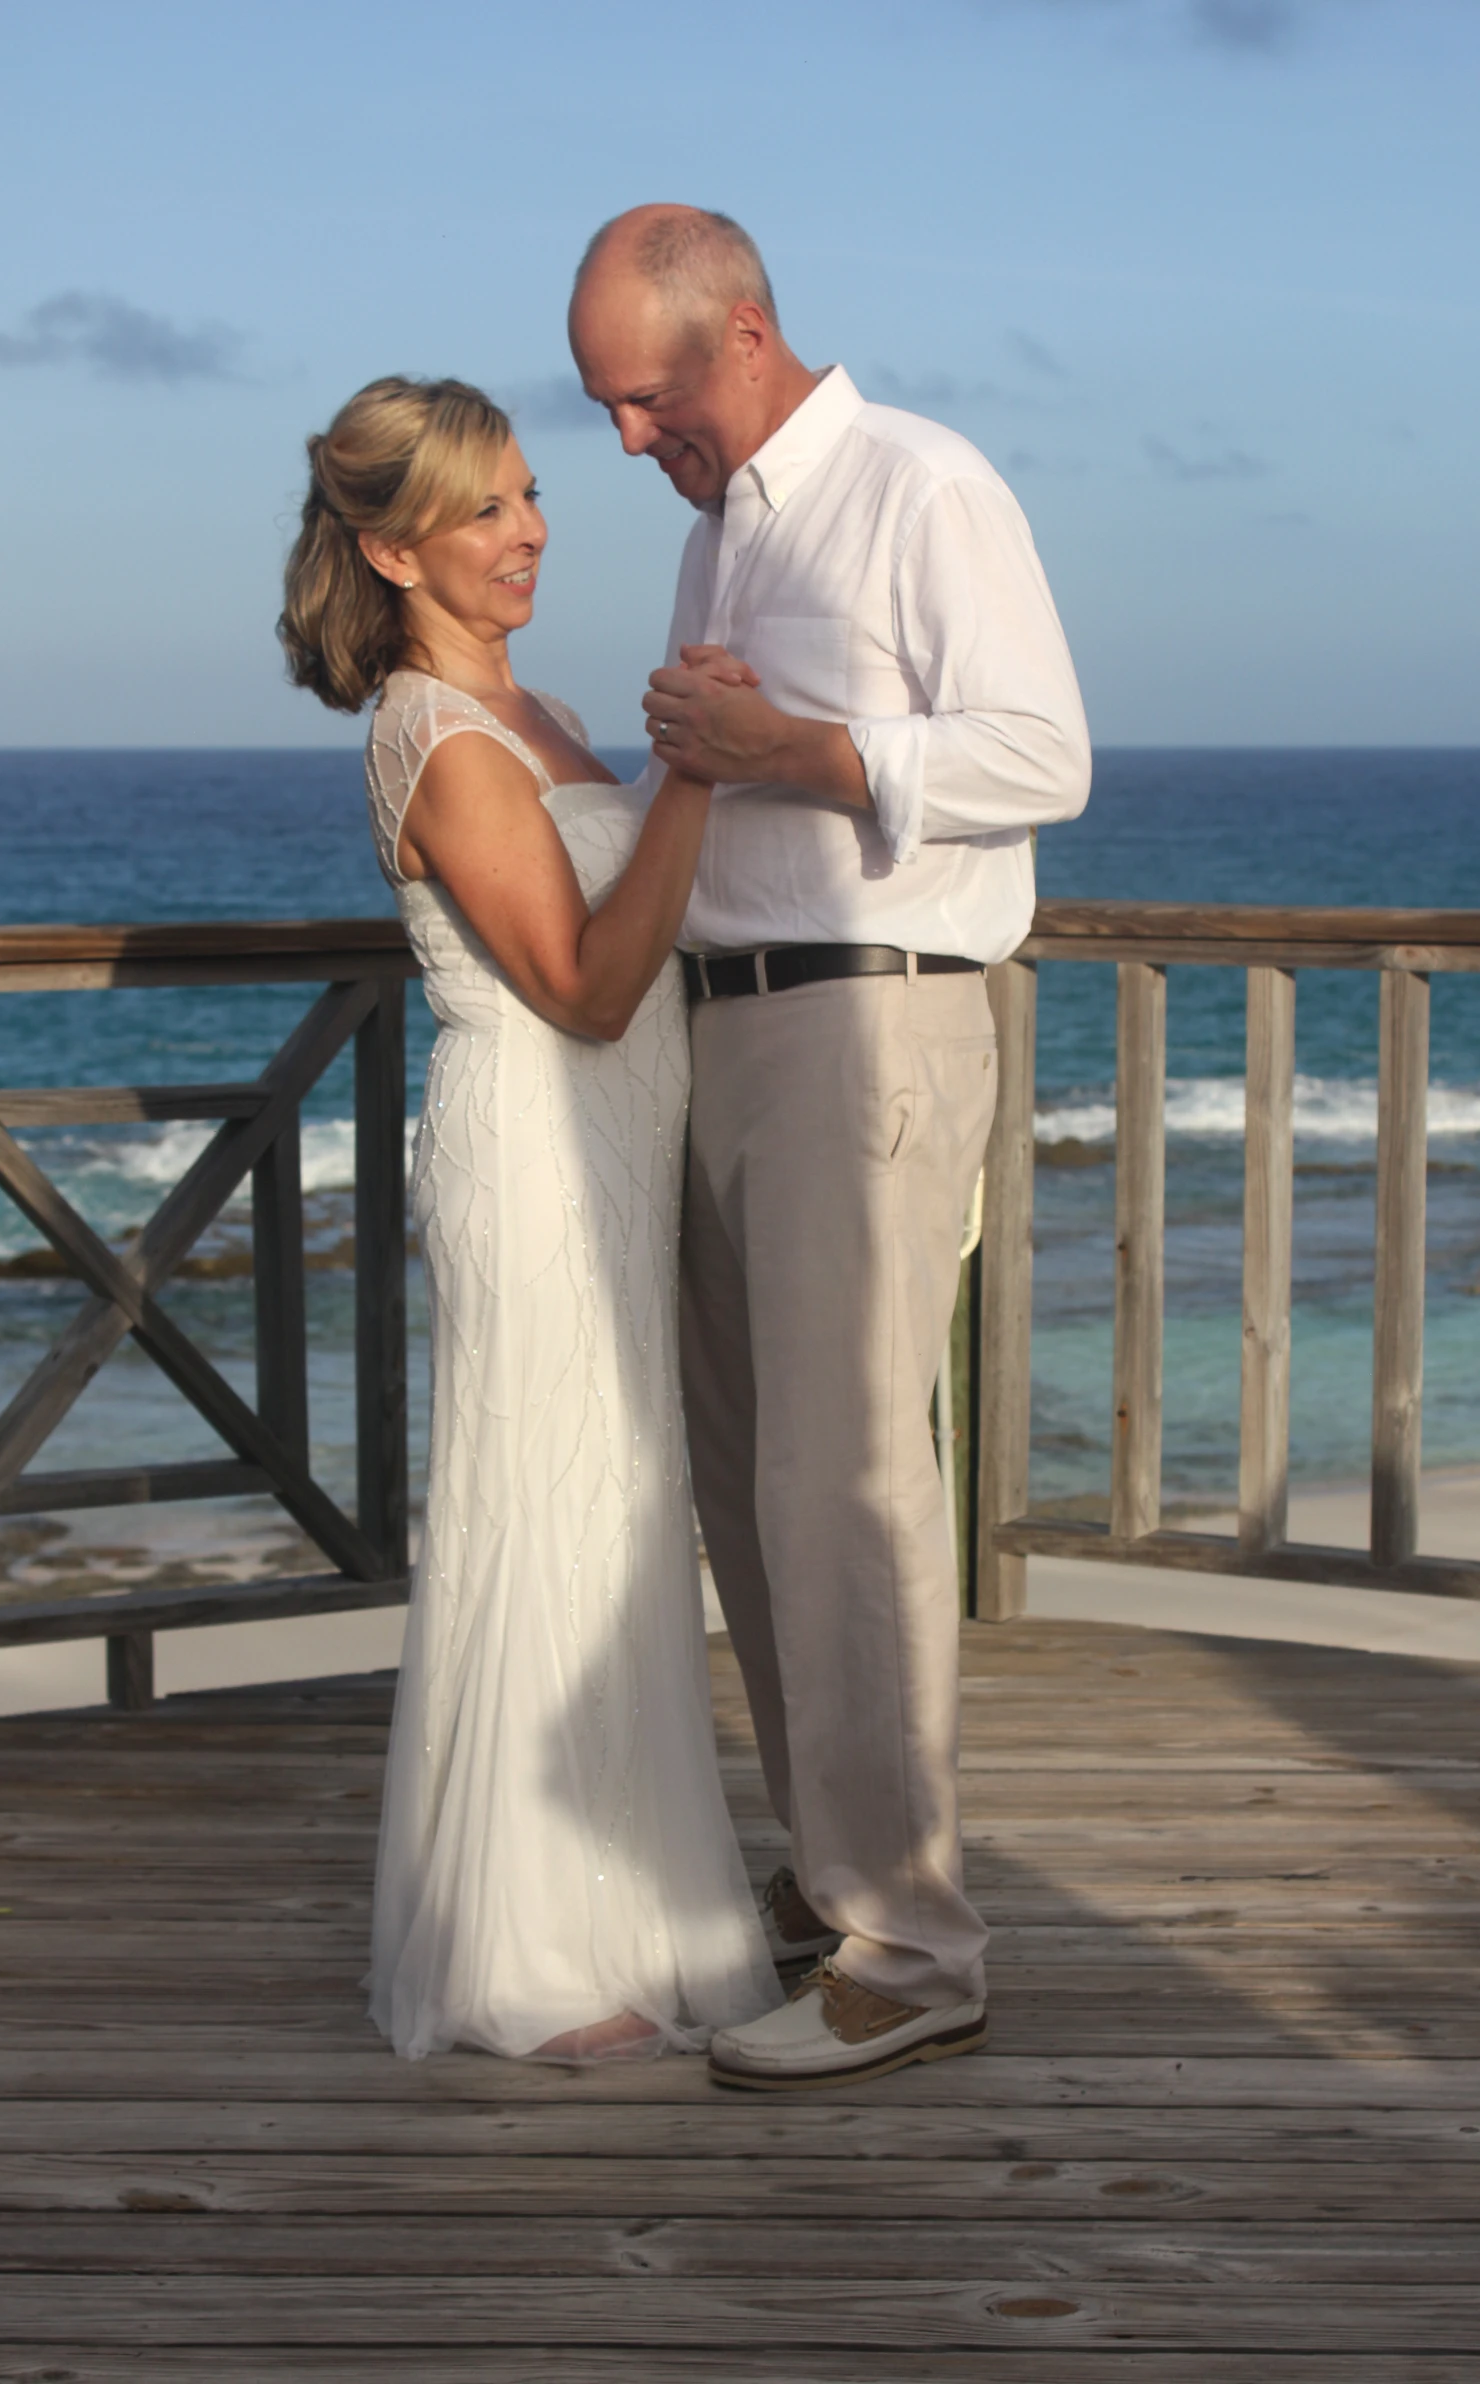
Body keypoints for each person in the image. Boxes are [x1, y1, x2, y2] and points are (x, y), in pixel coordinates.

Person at [570, 209, 1091, 2089]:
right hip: (724, 1033)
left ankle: (914, 1943)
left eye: (646, 401)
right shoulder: (724, 530)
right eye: (606, 412)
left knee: (849, 1485)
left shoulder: (921, 484)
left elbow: (1045, 756)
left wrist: (808, 749)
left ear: (746, 334)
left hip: (866, 1020)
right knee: (751, 1484)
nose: (628, 445)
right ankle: (838, 1881)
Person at [278, 374, 782, 2062]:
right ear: (391, 550)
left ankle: (629, 1906)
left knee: (626, 1521)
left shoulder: (542, 707)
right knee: (544, 1518)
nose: (529, 533)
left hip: (620, 1154)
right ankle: (521, 1954)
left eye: (527, 495)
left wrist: (670, 761)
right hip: (536, 1147)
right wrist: (692, 780)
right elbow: (579, 982)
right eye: (483, 510)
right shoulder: (432, 731)